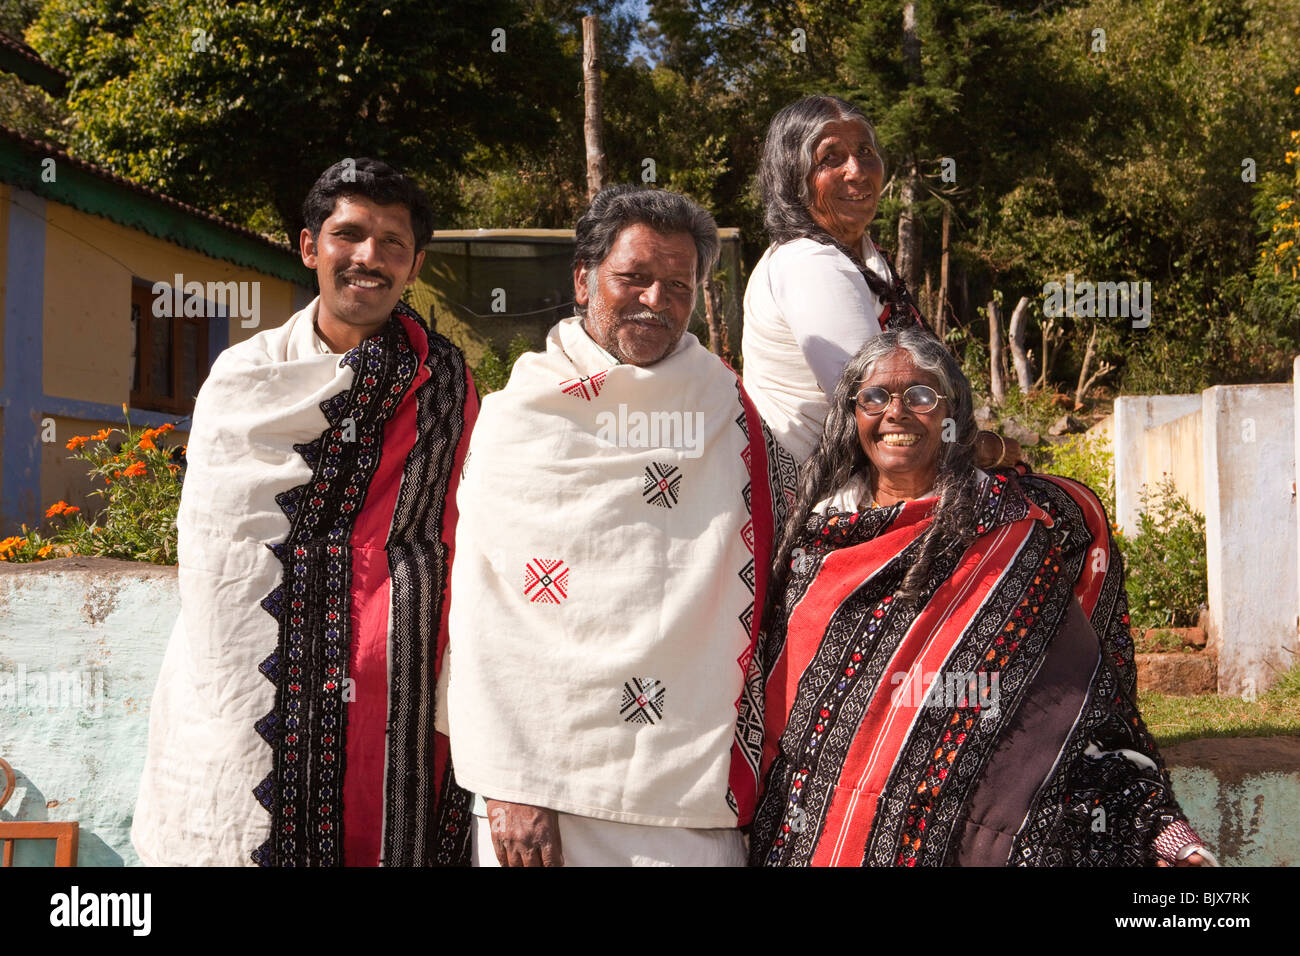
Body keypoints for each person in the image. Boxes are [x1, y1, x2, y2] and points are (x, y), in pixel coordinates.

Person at [748, 328, 1214, 867]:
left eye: (921, 396)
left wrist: (1165, 837)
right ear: (853, 416)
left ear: (953, 416)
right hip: (811, 834)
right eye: (874, 397)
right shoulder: (814, 543)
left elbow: (1078, 718)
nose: (896, 413)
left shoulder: (1009, 536)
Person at [132, 158, 478, 866]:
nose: (368, 258)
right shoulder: (247, 378)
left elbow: (466, 526)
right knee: (245, 820)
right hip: (256, 668)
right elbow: (216, 548)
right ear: (308, 246)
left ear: (414, 265)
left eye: (393, 244)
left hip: (398, 688)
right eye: (349, 235)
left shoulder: (444, 382)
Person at [442, 184, 798, 866]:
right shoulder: (522, 417)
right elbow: (485, 614)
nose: (655, 301)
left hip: (688, 784)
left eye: (678, 285)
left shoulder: (729, 410)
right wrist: (510, 784)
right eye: (633, 278)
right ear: (583, 279)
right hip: (543, 789)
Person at [742, 94, 1017, 471]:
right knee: (1065, 510)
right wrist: (984, 448)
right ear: (794, 177)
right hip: (831, 495)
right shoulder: (810, 265)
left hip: (887, 469)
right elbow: (881, 405)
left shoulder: (859, 258)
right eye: (830, 158)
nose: (857, 171)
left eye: (865, 151)